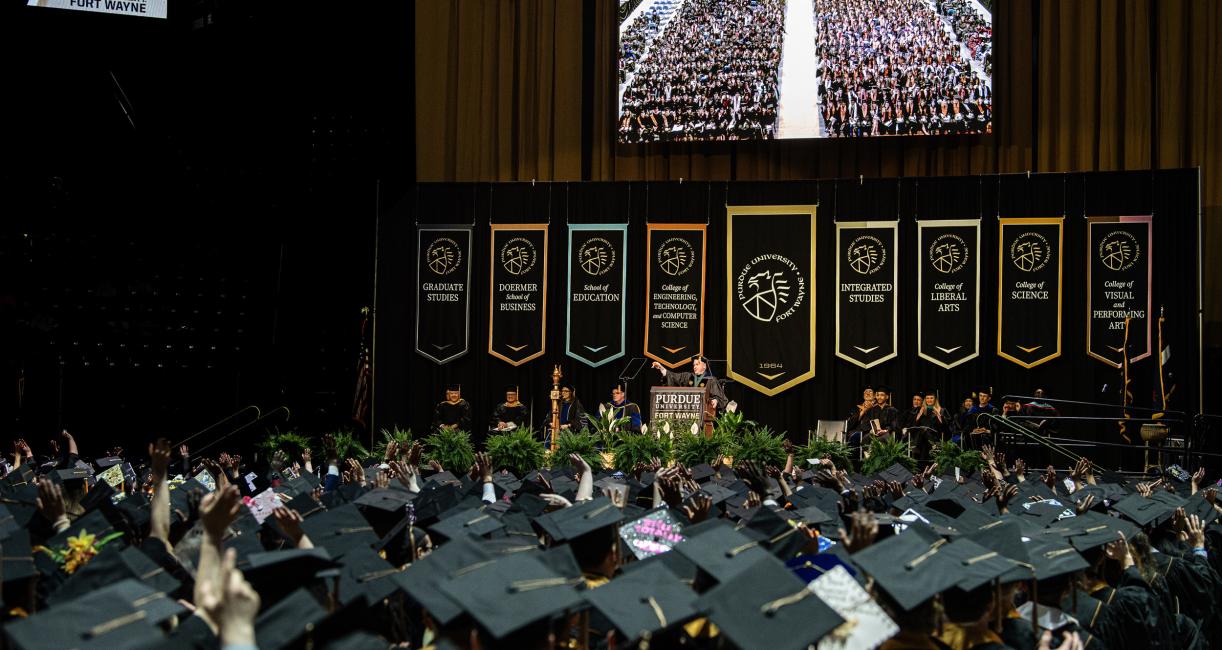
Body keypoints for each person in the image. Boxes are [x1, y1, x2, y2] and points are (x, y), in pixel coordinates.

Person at [651, 354, 729, 413]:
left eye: (697, 364)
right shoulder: (687, 376)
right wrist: (662, 368)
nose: (694, 367)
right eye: (694, 365)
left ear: (704, 366)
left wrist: (715, 400)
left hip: (703, 413)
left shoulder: (711, 379)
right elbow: (673, 377)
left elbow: (720, 397)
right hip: (687, 412)